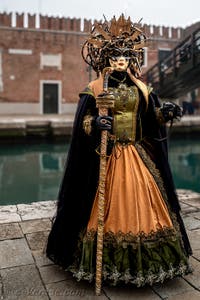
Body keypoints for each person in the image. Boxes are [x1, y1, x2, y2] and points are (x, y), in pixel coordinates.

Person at [46, 15, 192, 287]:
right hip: (107, 157)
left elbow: (149, 120)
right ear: (106, 58)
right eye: (115, 55)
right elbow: (84, 123)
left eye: (125, 55)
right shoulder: (95, 89)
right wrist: (96, 123)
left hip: (136, 155)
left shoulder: (143, 89)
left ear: (132, 58)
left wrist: (165, 112)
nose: (120, 60)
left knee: (146, 202)